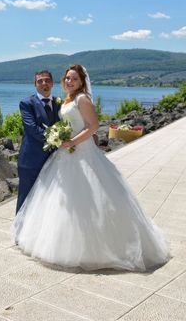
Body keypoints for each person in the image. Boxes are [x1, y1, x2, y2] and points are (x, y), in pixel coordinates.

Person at [12, 65, 170, 271]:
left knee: (90, 197)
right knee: (57, 199)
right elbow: (38, 127)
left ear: (82, 82)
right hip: (55, 155)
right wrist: (60, 140)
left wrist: (70, 142)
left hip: (79, 152)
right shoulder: (63, 100)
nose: (70, 82)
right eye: (67, 78)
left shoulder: (81, 99)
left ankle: (95, 247)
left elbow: (93, 126)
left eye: (74, 79)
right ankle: (24, 232)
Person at [16, 70, 61, 213]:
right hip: (31, 161)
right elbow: (32, 129)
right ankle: (19, 230)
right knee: (26, 198)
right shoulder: (26, 103)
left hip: (54, 161)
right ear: (35, 85)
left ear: (52, 83)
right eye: (40, 81)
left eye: (47, 80)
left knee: (47, 199)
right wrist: (58, 139)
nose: (44, 84)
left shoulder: (59, 103)